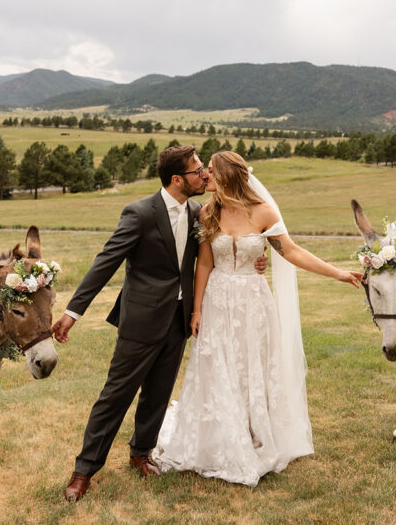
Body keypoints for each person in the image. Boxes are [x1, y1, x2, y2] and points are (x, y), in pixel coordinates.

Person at [50, 145, 266, 502]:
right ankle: (83, 471)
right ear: (178, 179)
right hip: (140, 321)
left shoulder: (199, 211)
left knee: (159, 394)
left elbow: (226, 248)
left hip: (179, 322)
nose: (205, 175)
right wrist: (73, 312)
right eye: (199, 171)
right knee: (115, 396)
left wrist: (260, 261)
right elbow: (107, 261)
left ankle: (141, 453)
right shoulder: (139, 213)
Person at [152, 151, 363, 486]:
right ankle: (221, 434)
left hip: (254, 302)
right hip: (219, 300)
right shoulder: (209, 213)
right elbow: (204, 264)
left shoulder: (264, 212)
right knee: (219, 367)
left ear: (227, 176)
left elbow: (291, 251)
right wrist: (197, 308)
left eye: (211, 172)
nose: (205, 176)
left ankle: (254, 433)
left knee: (253, 368)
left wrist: (337, 273)